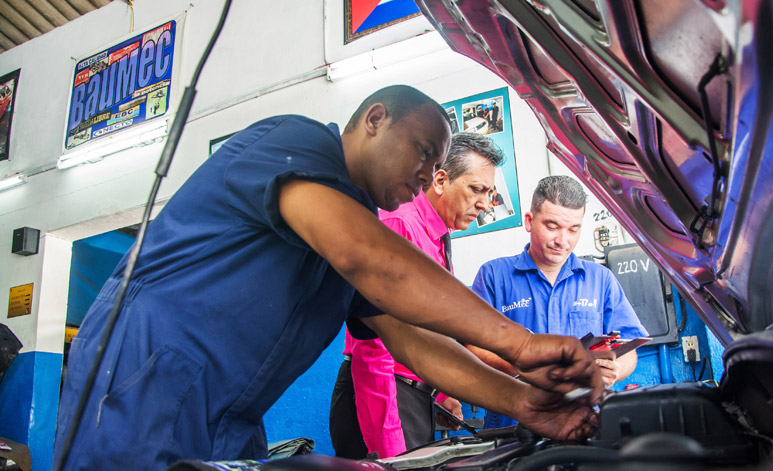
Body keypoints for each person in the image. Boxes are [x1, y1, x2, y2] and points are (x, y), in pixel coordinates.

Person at [54, 86, 604, 470]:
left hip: (230, 416)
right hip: (141, 384)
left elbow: (415, 342)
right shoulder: (293, 143)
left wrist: (524, 403)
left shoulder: (351, 231)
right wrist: (523, 342)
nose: (427, 171)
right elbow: (369, 257)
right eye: (422, 150)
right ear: (375, 120)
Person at [329, 132, 504, 459]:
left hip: (411, 395)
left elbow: (426, 326)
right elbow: (374, 346)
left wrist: (439, 393)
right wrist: (390, 448)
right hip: (382, 396)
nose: (484, 203)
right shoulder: (400, 224)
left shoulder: (437, 236)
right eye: (477, 189)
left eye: (490, 192)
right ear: (440, 180)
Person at [468, 175, 648, 429]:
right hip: (513, 425)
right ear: (530, 221)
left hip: (585, 423)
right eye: (552, 226)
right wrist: (527, 366)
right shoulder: (493, 276)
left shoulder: (601, 279)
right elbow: (471, 346)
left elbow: (629, 345)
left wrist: (615, 369)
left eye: (573, 229)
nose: (563, 241)